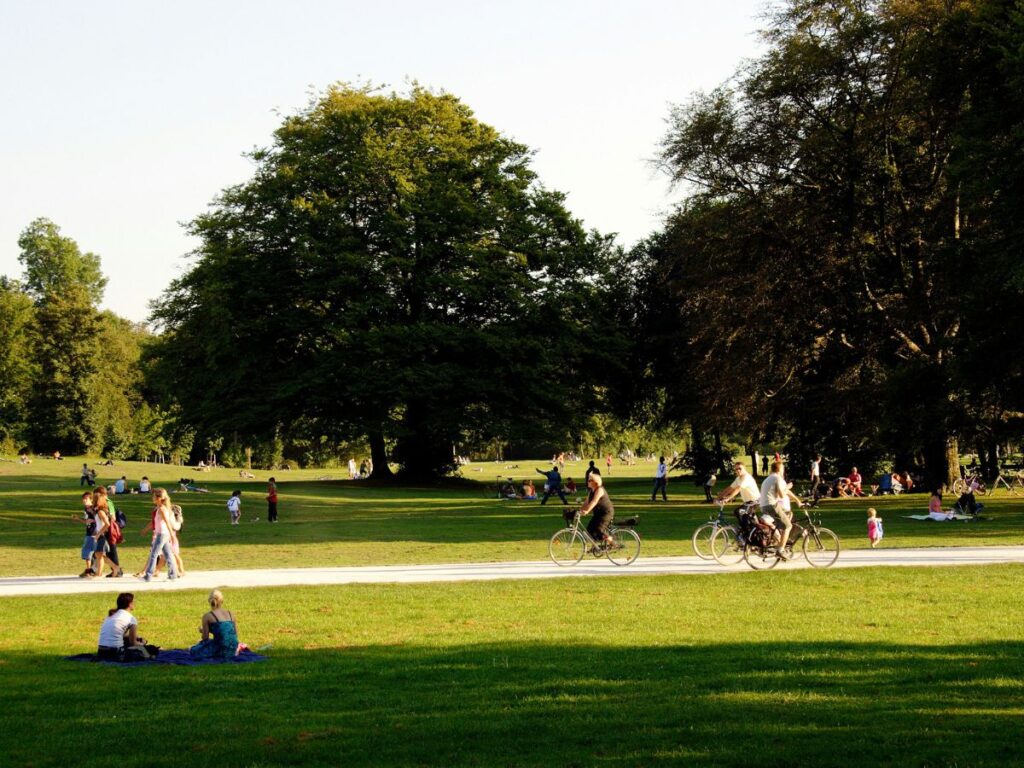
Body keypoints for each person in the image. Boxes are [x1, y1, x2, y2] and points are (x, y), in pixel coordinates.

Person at [759, 460, 802, 559]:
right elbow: (782, 494)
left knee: (785, 516)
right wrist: (788, 486)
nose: (784, 470)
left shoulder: (768, 478)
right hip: (771, 505)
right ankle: (780, 550)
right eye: (783, 468)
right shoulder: (778, 478)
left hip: (763, 506)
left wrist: (796, 500)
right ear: (779, 469)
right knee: (788, 526)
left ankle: (776, 539)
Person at [97, 593, 152, 661]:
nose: (134, 603)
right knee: (145, 651)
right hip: (116, 653)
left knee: (127, 642)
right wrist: (143, 643)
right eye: (133, 602)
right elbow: (133, 643)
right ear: (129, 604)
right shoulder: (131, 618)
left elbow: (116, 633)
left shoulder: (111, 615)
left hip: (101, 652)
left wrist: (135, 637)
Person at [141, 488, 179, 581]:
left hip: (162, 534)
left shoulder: (162, 509)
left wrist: (172, 536)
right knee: (168, 554)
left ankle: (148, 576)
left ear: (159, 498)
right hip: (163, 534)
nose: (152, 498)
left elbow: (167, 523)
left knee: (153, 554)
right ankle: (173, 575)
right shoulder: (160, 508)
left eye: (154, 497)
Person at [190, 589, 241, 659]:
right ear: (222, 601)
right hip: (233, 648)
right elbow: (233, 633)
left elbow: (205, 638)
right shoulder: (231, 613)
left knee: (193, 649)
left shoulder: (207, 616)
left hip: (220, 649)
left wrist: (203, 631)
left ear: (209, 601)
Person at [91, 487, 124, 578]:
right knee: (100, 554)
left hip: (106, 532)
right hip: (103, 532)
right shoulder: (99, 510)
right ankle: (115, 569)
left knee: (108, 552)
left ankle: (116, 570)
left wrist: (98, 533)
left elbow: (111, 520)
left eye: (95, 497)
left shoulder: (106, 504)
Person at [579, 473, 615, 550]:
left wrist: (587, 511)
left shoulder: (599, 490)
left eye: (589, 480)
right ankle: (595, 547)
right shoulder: (591, 491)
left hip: (606, 513)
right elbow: (586, 502)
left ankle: (612, 542)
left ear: (595, 482)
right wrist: (579, 510)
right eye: (588, 480)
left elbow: (594, 502)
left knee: (599, 529)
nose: (587, 482)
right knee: (589, 529)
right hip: (598, 513)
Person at [73, 492, 99, 577]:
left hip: (94, 533)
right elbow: (86, 521)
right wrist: (78, 519)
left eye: (86, 499)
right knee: (89, 552)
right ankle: (91, 570)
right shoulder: (86, 509)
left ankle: (91, 571)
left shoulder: (94, 508)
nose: (84, 500)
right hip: (89, 532)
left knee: (90, 552)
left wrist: (94, 520)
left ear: (91, 499)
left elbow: (101, 518)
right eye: (83, 498)